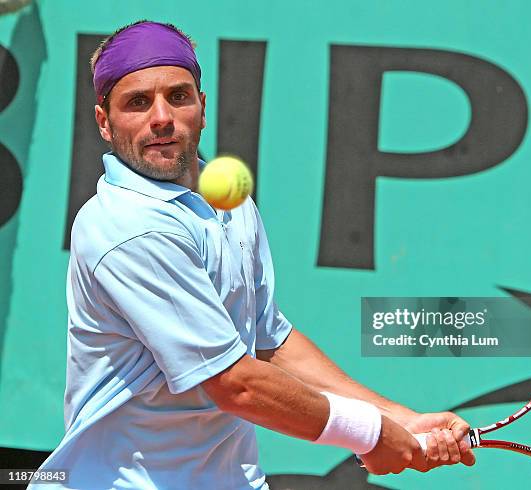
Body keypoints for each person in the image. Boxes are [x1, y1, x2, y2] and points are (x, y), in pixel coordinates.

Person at [29, 20, 474, 490]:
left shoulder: (230, 200)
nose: (161, 117)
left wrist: (400, 417)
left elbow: (267, 342)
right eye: (138, 102)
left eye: (178, 96)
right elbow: (236, 384)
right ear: (104, 121)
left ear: (202, 108)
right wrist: (370, 433)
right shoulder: (126, 228)